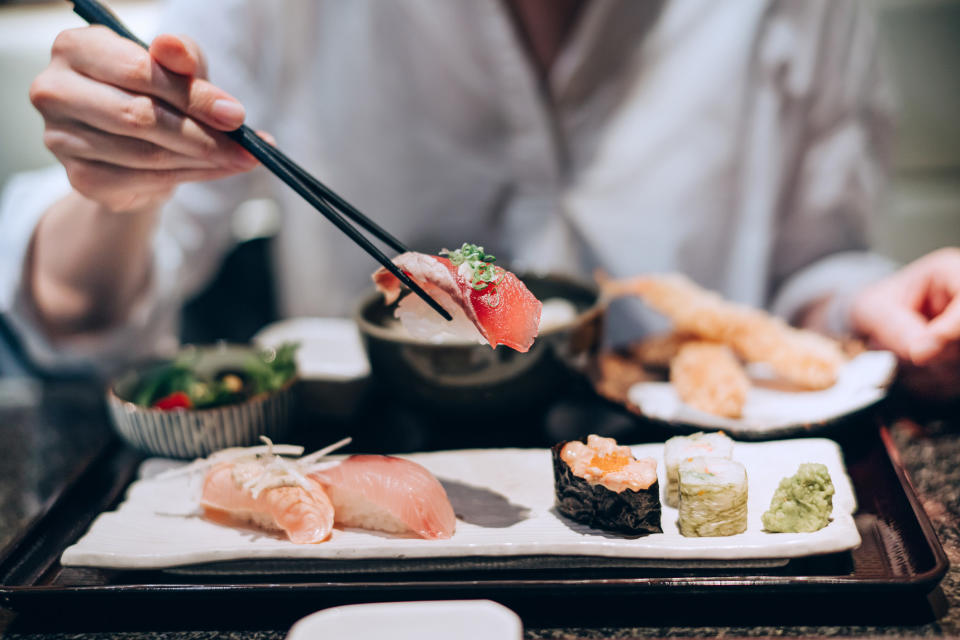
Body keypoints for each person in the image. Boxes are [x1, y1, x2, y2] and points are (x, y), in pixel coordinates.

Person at [0, 0, 957, 397]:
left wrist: (870, 308)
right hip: (369, 478)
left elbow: (810, 272)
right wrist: (113, 184)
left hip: (689, 485)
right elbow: (77, 324)